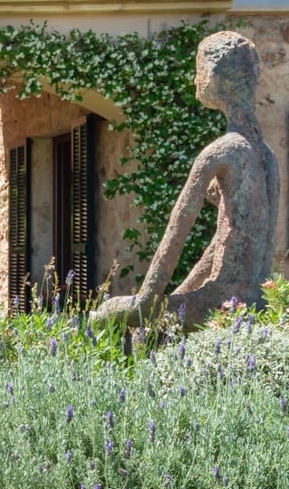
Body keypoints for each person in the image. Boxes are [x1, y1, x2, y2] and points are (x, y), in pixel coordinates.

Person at [94, 31, 278, 328]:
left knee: (104, 316)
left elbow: (176, 235)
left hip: (220, 302)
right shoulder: (267, 156)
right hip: (255, 299)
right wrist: (183, 291)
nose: (195, 80)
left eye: (199, 70)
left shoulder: (221, 152)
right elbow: (236, 242)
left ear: (214, 76)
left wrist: (146, 301)